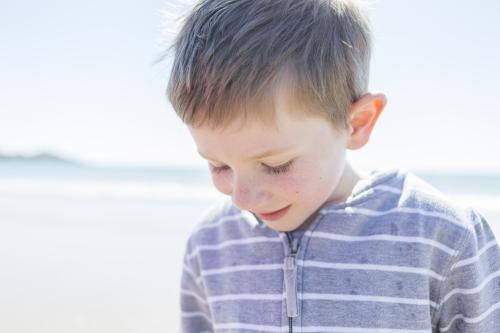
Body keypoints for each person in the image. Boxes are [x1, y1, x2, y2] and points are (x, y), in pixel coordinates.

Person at [164, 0, 500, 331]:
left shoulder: (441, 236)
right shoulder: (209, 245)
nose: (242, 198)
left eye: (276, 165)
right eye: (219, 166)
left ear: (357, 123)